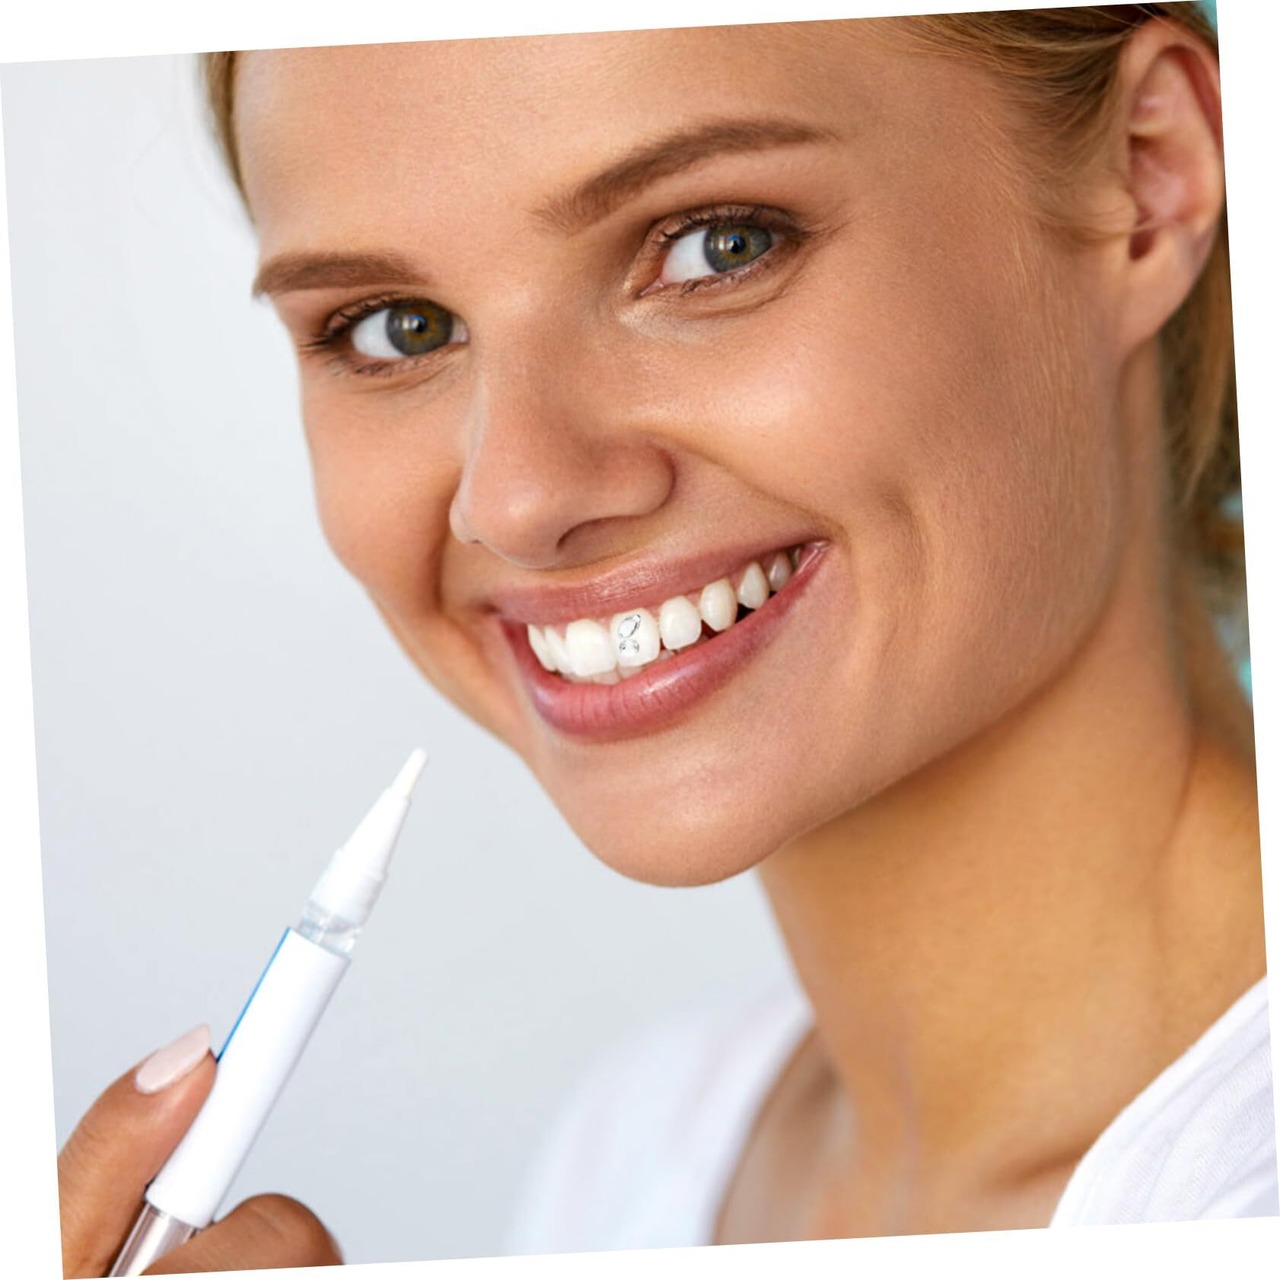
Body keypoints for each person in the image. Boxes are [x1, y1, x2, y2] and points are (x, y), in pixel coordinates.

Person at [56, 4, 1272, 1273]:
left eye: (714, 245)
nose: (518, 497)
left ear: (1146, 179)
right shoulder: (638, 1152)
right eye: (396, 326)